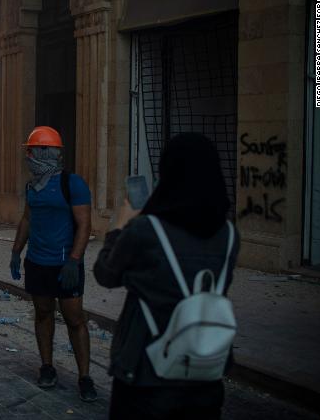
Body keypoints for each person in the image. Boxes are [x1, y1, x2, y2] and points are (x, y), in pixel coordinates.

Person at [93, 133, 239, 419]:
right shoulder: (230, 235)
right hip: (205, 376)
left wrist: (120, 226)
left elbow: (106, 274)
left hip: (147, 375)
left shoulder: (147, 230)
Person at [9, 126, 97, 402]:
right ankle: (47, 367)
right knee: (43, 313)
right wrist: (16, 251)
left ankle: (85, 377)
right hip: (38, 262)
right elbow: (27, 219)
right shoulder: (32, 186)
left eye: (32, 150)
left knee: (74, 319)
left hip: (65, 265)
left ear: (46, 152)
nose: (28, 155)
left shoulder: (73, 184)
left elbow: (84, 226)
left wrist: (74, 261)